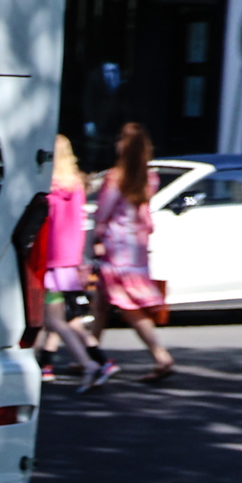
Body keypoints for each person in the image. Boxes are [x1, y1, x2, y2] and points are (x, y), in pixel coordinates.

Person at [93, 122, 177, 383]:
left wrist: (96, 235)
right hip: (136, 249)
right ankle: (90, 353)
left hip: (117, 248)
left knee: (126, 306)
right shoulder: (149, 176)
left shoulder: (116, 176)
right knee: (101, 300)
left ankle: (159, 354)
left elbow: (103, 211)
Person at [39, 134, 110, 391]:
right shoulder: (77, 187)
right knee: (67, 319)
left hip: (50, 261)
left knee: (54, 320)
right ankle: (95, 361)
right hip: (70, 260)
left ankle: (89, 364)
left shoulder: (51, 189)